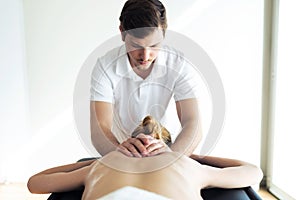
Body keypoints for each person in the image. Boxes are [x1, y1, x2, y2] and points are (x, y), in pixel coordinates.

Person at [90, 0, 202, 157]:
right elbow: (99, 128)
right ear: (122, 32)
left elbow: (193, 122)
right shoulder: (105, 67)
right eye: (136, 46)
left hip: (170, 149)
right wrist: (122, 154)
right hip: (121, 152)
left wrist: (170, 157)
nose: (145, 55)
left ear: (164, 33)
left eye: (154, 45)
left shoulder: (179, 65)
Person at [27, 146, 263, 200]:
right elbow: (253, 172)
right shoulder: (185, 163)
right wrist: (197, 157)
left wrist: (90, 164)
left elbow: (35, 183)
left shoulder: (103, 164)